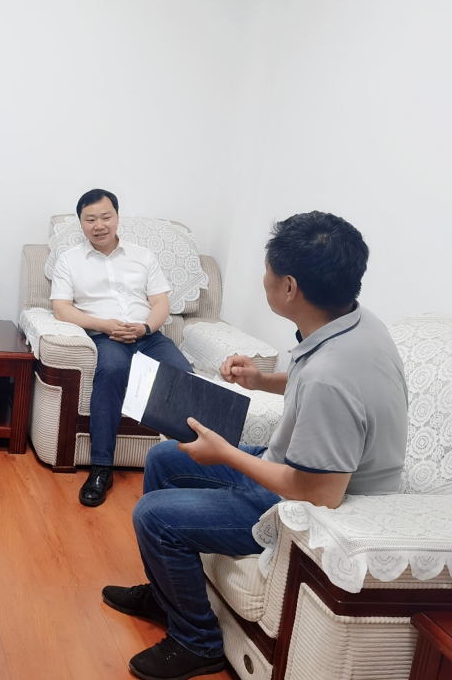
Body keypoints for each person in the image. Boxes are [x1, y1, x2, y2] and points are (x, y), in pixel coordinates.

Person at [103, 211, 408, 680]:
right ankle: (167, 598)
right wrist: (262, 380)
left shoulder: (333, 375)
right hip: (292, 468)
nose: (262, 278)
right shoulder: (354, 322)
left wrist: (226, 453)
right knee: (165, 456)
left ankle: (197, 642)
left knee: (154, 516)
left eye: (267, 270)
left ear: (289, 287)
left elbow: (320, 492)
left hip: (305, 505)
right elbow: (313, 384)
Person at [51, 188, 194, 506]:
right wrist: (104, 325)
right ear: (81, 222)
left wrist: (145, 327)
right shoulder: (69, 260)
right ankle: (102, 468)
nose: (99, 225)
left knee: (184, 376)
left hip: (148, 335)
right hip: (106, 336)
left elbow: (161, 303)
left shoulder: (143, 256)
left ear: (117, 217)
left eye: (106, 217)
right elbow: (61, 309)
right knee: (112, 370)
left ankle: (191, 467)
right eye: (90, 219)